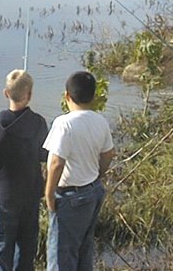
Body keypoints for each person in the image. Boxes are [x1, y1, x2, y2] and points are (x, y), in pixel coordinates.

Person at [44, 71, 115, 271]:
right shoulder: (100, 121)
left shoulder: (64, 123)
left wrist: (49, 195)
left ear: (67, 96)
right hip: (93, 191)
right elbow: (109, 154)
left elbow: (56, 162)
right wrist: (98, 175)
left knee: (61, 256)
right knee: (84, 249)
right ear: (93, 97)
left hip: (70, 196)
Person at [0, 69, 48, 271]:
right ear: (30, 95)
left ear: (6, 93)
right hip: (30, 196)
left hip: (5, 197)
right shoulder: (38, 123)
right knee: (26, 247)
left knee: (1, 248)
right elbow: (45, 155)